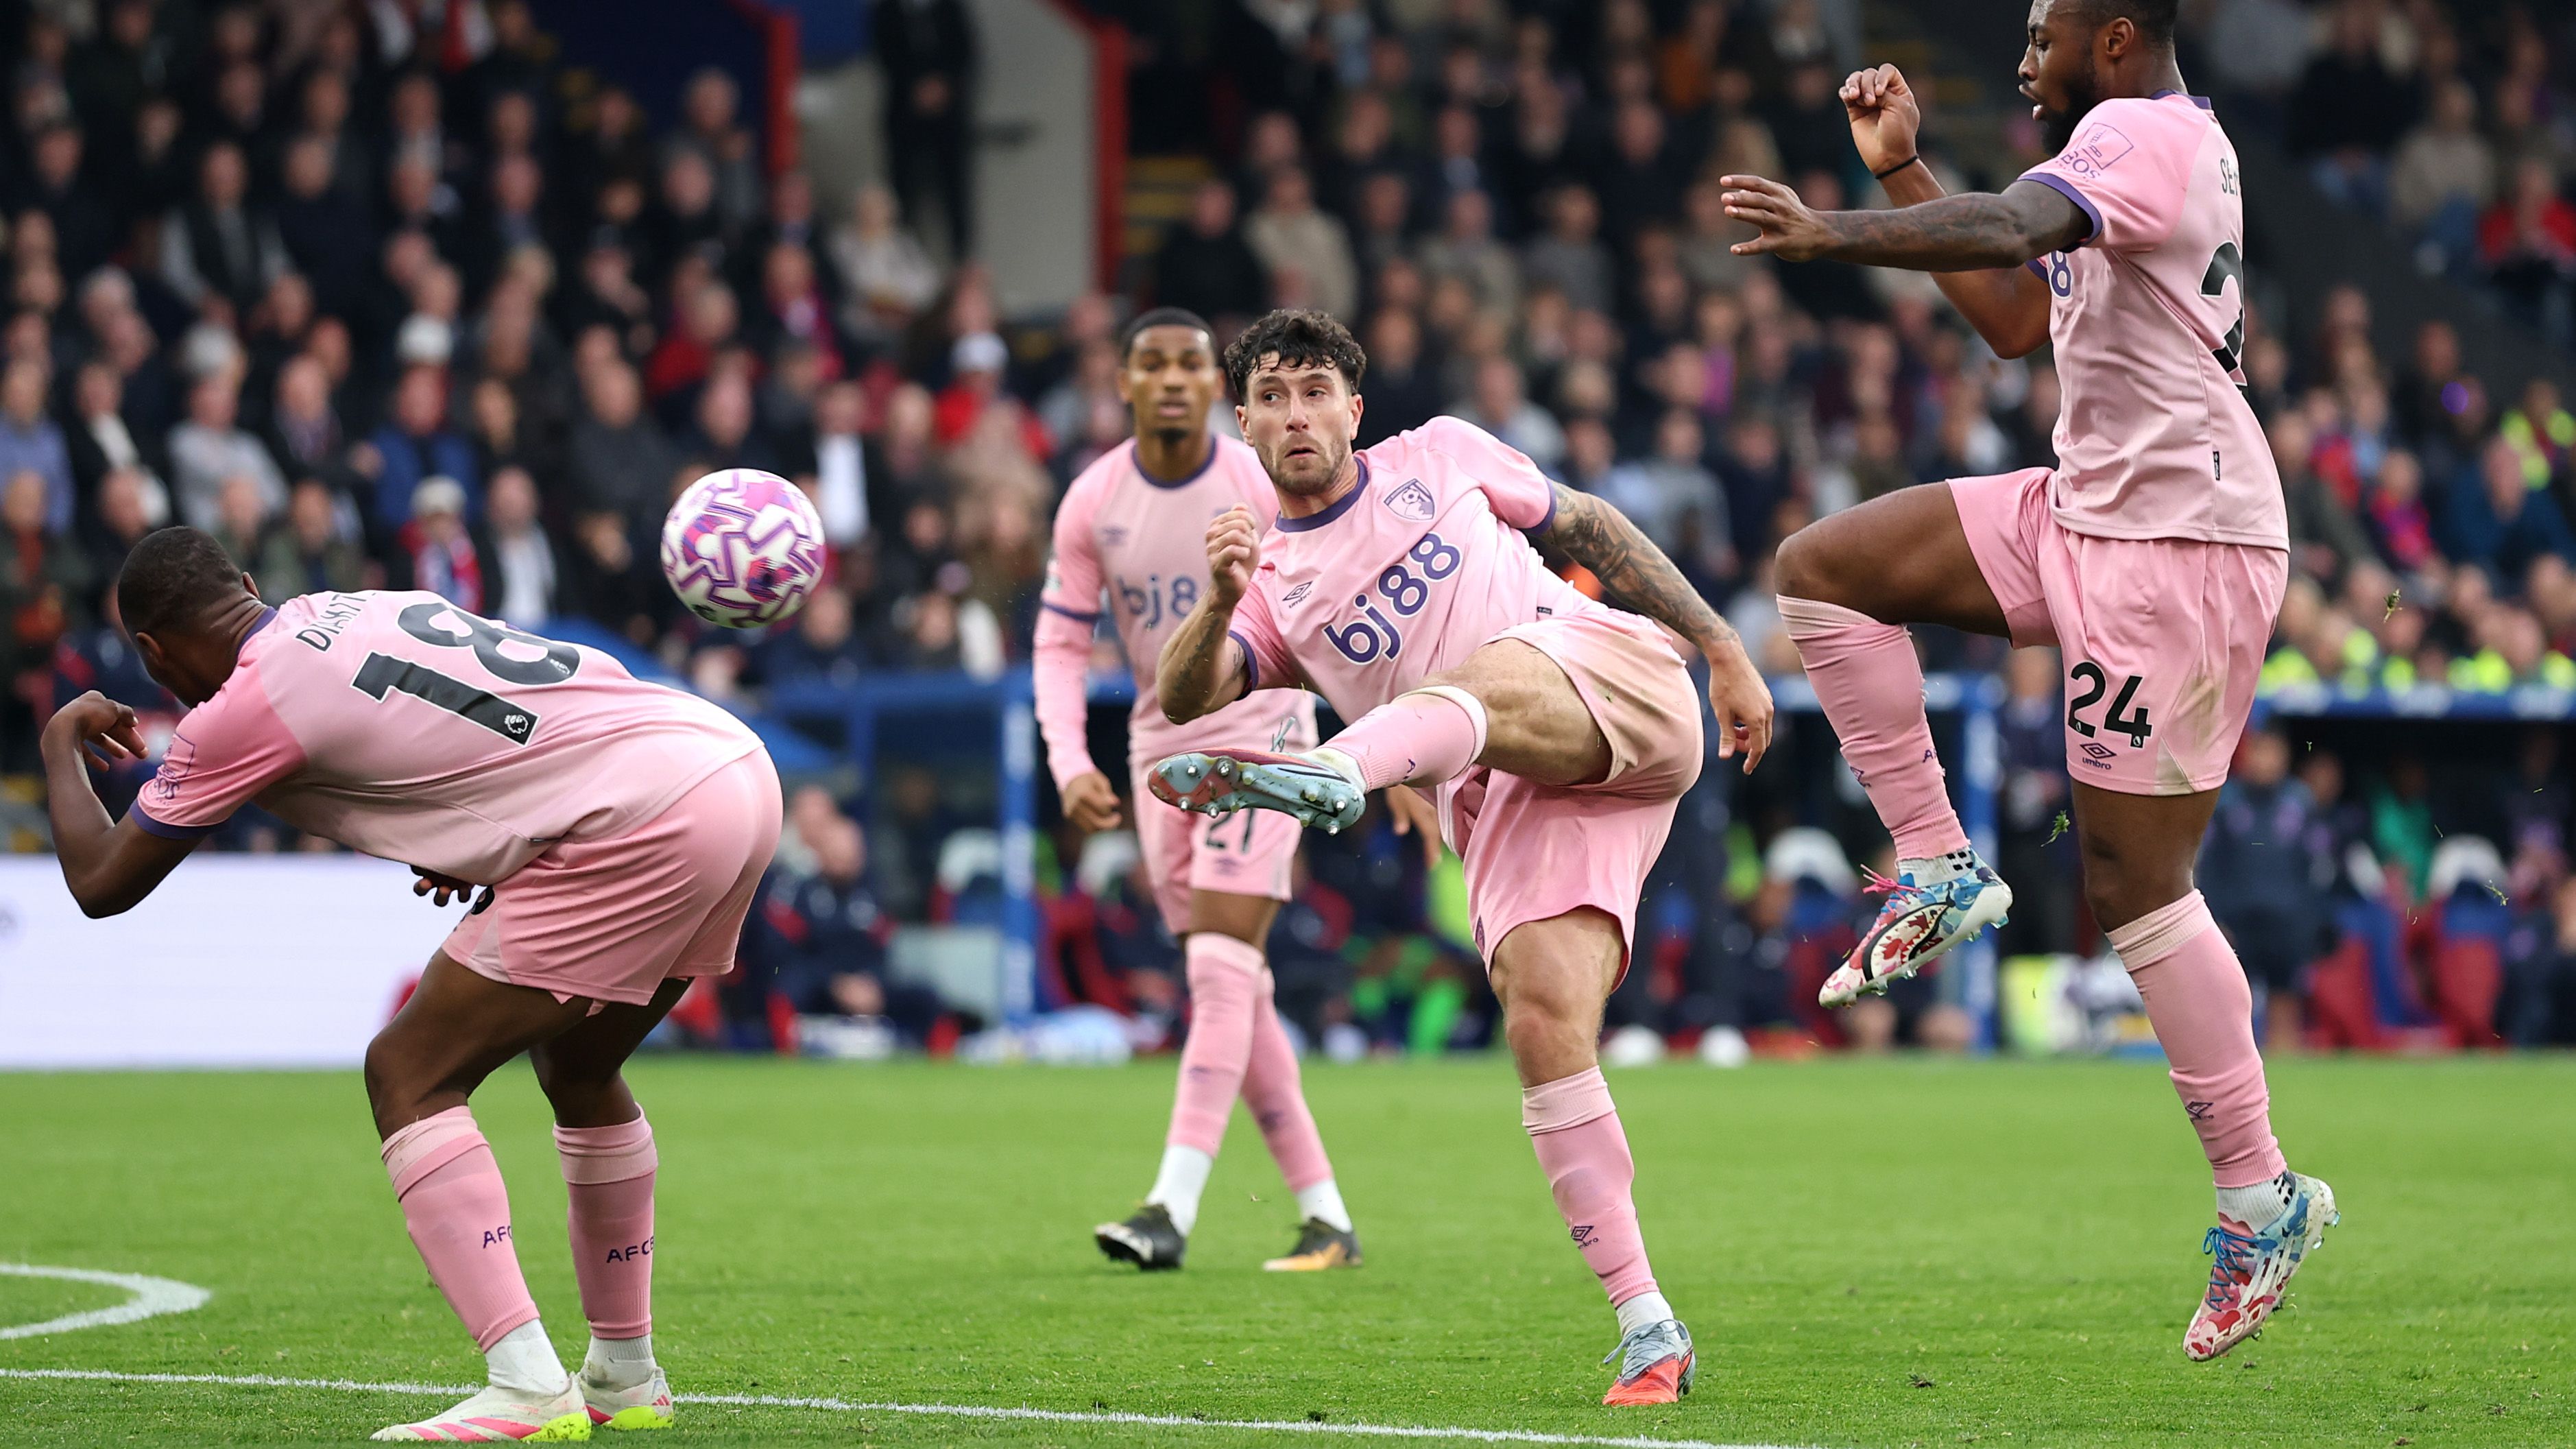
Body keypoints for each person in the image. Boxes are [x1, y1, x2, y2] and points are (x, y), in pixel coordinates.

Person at [1717, 1, 2337, 1362]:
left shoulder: (2139, 133)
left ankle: (2260, 1193)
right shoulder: (2123, 157)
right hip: (2084, 507)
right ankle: (1940, 864)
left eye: (2044, 29)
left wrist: (1834, 230)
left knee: (2134, 889)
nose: (2022, 51)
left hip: (2178, 547)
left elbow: (2005, 231)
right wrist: (1898, 173)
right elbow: (2012, 320)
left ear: (2113, 39)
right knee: (1821, 567)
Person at [1145, 308, 1774, 1405]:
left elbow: (1592, 528)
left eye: (1313, 390)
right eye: (1272, 397)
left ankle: (1345, 770)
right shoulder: (1272, 583)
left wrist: (1721, 642)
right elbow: (1187, 694)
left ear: (1352, 404)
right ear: (1242, 421)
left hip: (1603, 674)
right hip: (1510, 800)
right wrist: (1211, 599)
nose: (1295, 413)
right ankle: (1647, 1325)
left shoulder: (1441, 453)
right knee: (1539, 1019)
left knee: (1479, 671)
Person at [41, 527, 781, 1439]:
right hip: (726, 762)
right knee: (581, 1066)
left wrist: (58, 741)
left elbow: (101, 882)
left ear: (151, 651)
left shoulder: (236, 708)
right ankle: (624, 1372)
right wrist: (494, 832)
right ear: (244, 581)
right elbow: (496, 715)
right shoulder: (355, 610)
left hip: (638, 815)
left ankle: (524, 1380)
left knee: (409, 1070)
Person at [1035, 307, 1369, 1273]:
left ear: (1210, 388)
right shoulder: (1094, 498)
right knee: (1234, 985)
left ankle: (1168, 1205)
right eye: (1154, 364)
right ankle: (1326, 1216)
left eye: (1190, 361)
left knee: (1222, 963)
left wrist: (1384, 747)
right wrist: (1067, 759)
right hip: (1154, 744)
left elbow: (1328, 601)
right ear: (1127, 382)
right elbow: (1060, 641)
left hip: (1260, 730)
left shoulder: (1255, 474)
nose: (1173, 378)